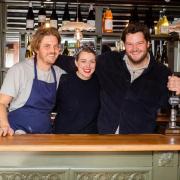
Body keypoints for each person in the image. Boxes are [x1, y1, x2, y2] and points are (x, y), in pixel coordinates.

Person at [56, 23, 171, 134]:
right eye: (129, 44)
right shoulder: (109, 61)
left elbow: (171, 105)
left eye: (139, 43)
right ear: (124, 45)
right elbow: (79, 64)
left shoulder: (162, 73)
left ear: (148, 44)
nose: (134, 48)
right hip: (105, 140)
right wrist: (47, 56)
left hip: (139, 142)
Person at [0, 27, 65, 136]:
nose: (53, 51)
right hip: (17, 133)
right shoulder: (19, 70)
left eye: (56, 46)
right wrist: (4, 125)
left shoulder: (60, 74)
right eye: (47, 46)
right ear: (36, 49)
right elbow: (2, 103)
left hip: (45, 134)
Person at [54, 47, 100, 134]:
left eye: (92, 62)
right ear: (76, 62)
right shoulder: (64, 80)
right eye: (83, 61)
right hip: (63, 137)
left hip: (91, 138)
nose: (88, 65)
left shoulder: (99, 82)